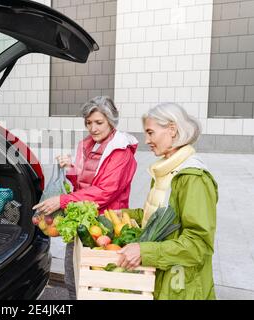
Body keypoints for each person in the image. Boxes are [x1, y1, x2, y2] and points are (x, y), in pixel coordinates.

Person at [32, 96, 139, 299]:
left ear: (111, 121)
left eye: (99, 122)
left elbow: (105, 191)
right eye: (88, 123)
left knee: (94, 284)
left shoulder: (121, 153)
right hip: (83, 222)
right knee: (72, 278)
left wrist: (62, 201)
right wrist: (70, 167)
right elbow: (83, 177)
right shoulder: (88, 145)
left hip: (105, 225)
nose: (93, 128)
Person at [117, 102, 218, 300]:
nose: (146, 140)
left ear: (172, 129)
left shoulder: (193, 178)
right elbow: (161, 216)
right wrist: (125, 214)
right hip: (164, 279)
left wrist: (145, 251)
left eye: (150, 132)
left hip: (182, 288)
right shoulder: (167, 170)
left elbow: (198, 244)